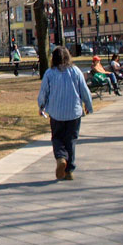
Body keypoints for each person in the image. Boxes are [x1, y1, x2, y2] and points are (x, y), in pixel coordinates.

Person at [38, 46, 93, 180]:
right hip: (74, 112)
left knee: (57, 138)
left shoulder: (49, 73)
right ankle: (69, 170)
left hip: (56, 112)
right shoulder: (75, 71)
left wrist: (41, 106)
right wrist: (89, 105)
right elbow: (84, 90)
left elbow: (44, 92)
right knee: (71, 140)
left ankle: (61, 158)